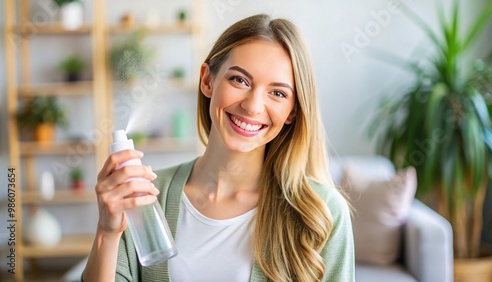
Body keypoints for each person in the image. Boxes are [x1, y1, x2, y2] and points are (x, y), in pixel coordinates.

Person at [83, 14, 354, 282]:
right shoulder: (145, 196)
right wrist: (107, 233)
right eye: (240, 80)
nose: (253, 106)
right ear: (207, 81)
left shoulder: (321, 212)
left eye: (278, 93)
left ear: (292, 112)